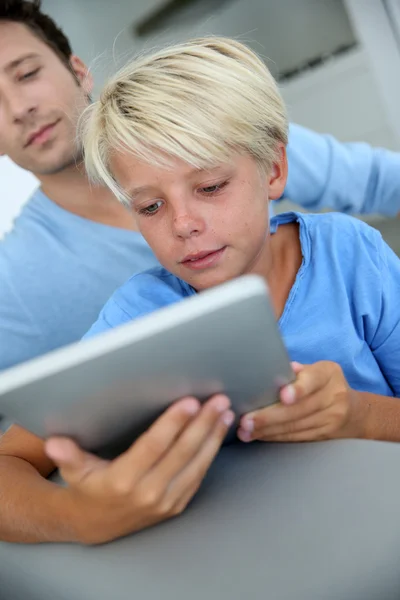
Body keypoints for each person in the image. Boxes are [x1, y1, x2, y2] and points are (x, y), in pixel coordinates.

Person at [1, 36, 399, 546]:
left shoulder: (350, 257)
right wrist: (78, 514)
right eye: (149, 207)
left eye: (210, 187)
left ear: (274, 169)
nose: (183, 224)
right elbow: (8, 461)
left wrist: (359, 415)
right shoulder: (137, 314)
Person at [1, 1, 400, 372]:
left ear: (78, 70)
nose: (20, 109)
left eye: (27, 74)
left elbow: (379, 180)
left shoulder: (220, 131)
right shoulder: (15, 285)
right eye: (149, 207)